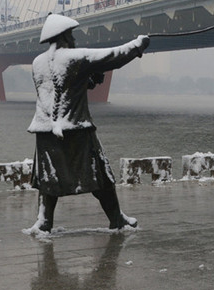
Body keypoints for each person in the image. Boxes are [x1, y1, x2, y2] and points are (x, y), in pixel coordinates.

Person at [27, 13, 150, 233]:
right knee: (100, 175)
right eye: (71, 35)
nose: (74, 40)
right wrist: (138, 45)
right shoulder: (75, 57)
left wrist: (89, 80)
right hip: (76, 129)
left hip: (45, 132)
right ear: (64, 36)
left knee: (49, 180)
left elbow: (58, 90)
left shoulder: (37, 63)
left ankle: (44, 222)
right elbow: (113, 56)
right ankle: (116, 219)